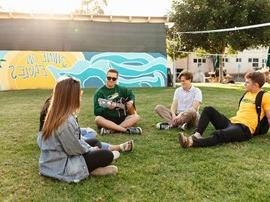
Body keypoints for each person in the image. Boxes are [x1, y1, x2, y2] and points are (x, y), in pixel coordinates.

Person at [37, 77, 128, 183]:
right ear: (71, 96)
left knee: (95, 142)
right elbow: (73, 149)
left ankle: (93, 167)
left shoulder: (56, 113)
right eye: (78, 92)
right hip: (61, 166)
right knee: (106, 155)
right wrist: (91, 150)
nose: (81, 94)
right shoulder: (64, 121)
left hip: (55, 160)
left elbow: (75, 141)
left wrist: (90, 147)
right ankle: (91, 170)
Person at [179, 71, 270, 148]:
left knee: (220, 134)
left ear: (256, 85)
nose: (244, 84)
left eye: (247, 82)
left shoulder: (265, 96)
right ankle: (197, 134)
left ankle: (191, 143)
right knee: (208, 110)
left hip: (245, 129)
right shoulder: (247, 93)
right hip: (231, 123)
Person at [39, 96, 134, 153]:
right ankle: (116, 146)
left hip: (64, 133)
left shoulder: (63, 104)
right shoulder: (54, 104)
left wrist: (130, 101)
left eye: (114, 78)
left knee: (91, 133)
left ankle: (111, 132)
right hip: (53, 136)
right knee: (85, 139)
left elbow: (72, 129)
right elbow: (71, 142)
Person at [94, 69, 142, 135]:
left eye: (114, 79)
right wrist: (107, 107)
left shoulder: (121, 89)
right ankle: (125, 130)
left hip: (123, 119)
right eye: (109, 78)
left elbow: (131, 95)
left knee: (136, 117)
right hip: (108, 120)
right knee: (97, 119)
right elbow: (96, 111)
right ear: (106, 78)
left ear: (116, 79)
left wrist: (131, 101)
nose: (111, 80)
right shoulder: (99, 93)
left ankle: (111, 130)